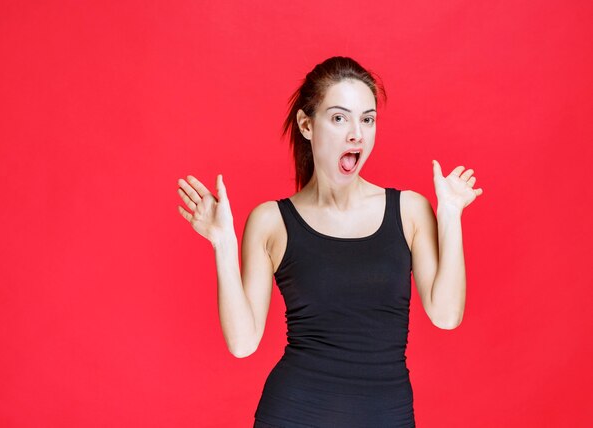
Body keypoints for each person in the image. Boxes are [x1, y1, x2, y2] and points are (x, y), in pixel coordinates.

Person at [177, 56, 483, 428]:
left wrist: (450, 214)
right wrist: (222, 242)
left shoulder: (409, 211)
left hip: (386, 417)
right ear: (307, 125)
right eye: (340, 118)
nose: (357, 133)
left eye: (367, 119)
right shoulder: (271, 221)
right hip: (292, 414)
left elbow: (447, 315)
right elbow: (243, 344)